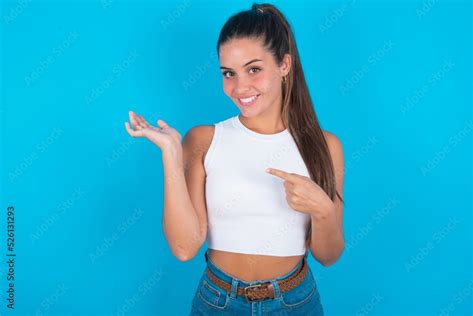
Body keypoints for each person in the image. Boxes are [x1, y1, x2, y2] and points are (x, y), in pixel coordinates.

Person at [124, 3, 345, 315]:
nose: (240, 87)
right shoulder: (203, 140)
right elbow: (184, 248)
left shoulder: (325, 146)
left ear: (284, 64)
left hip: (295, 302)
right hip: (219, 301)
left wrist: (323, 210)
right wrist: (172, 154)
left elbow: (328, 255)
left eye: (254, 69)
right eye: (229, 73)